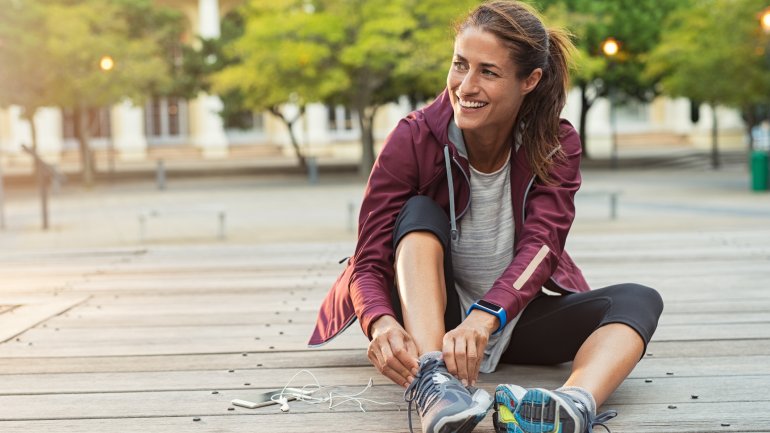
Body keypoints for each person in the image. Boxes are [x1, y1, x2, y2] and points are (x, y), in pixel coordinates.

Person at [309, 1, 663, 432]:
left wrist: (487, 315)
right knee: (419, 212)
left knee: (638, 299)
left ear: (529, 81)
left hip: (510, 318)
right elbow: (367, 258)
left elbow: (543, 247)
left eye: (488, 72)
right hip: (435, 327)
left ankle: (573, 405)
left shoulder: (555, 143)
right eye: (460, 65)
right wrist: (380, 321)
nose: (465, 86)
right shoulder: (414, 137)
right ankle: (434, 381)